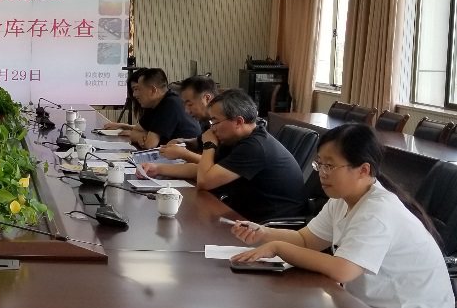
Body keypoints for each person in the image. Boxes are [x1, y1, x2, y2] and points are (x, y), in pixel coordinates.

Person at [231, 123, 457, 308]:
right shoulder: (342, 199)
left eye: (330, 165)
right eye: (319, 164)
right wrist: (264, 233)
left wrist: (278, 247)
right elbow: (306, 239)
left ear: (363, 169)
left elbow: (342, 270)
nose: (322, 173)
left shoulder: (377, 212)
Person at [140, 88, 306, 222]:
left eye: (215, 122)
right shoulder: (237, 139)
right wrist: (157, 168)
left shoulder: (255, 146)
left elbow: (205, 181)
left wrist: (209, 145)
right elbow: (204, 169)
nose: (212, 128)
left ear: (239, 121)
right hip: (243, 214)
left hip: (267, 224)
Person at [102, 68, 199, 148]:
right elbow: (137, 130)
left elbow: (149, 144)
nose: (135, 94)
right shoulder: (154, 104)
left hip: (185, 159)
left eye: (138, 89)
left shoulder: (170, 104)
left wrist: (139, 136)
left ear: (153, 90)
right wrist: (139, 135)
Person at [157, 74, 219, 162]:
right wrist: (182, 142)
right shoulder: (206, 121)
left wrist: (183, 154)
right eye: (185, 105)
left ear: (207, 98)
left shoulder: (225, 124)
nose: (187, 110)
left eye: (190, 104)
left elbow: (218, 164)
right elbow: (199, 142)